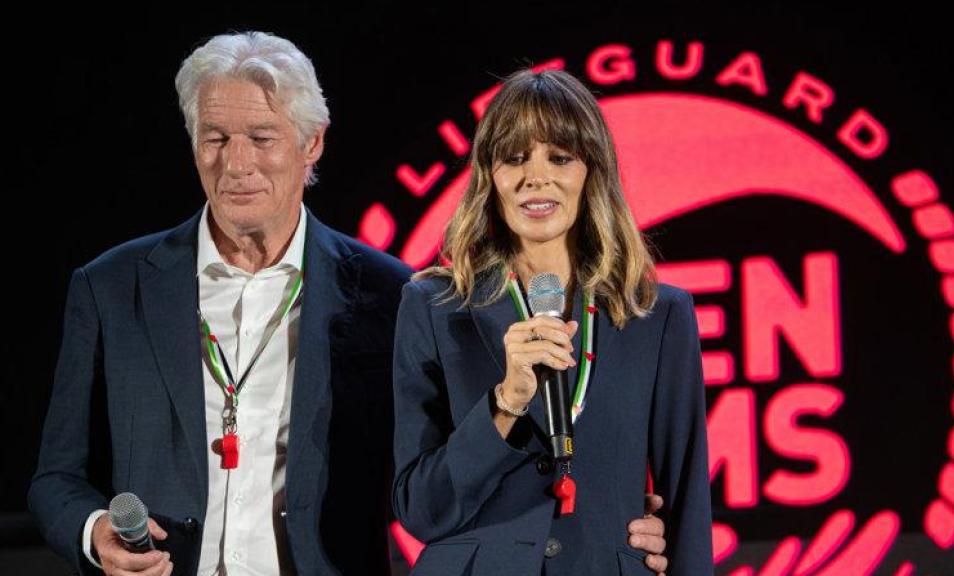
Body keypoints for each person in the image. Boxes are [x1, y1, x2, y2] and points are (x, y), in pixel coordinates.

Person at [28, 32, 671, 575]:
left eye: (261, 137)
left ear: (312, 143)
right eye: (215, 138)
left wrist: (617, 516)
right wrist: (93, 531)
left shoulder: (390, 293)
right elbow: (56, 478)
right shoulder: (112, 288)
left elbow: (448, 467)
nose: (236, 164)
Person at [392, 69, 713, 575]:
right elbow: (420, 508)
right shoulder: (434, 306)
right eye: (514, 158)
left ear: (591, 171)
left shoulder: (657, 314)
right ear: (489, 175)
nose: (535, 177)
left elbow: (688, 503)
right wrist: (505, 403)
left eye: (560, 158)